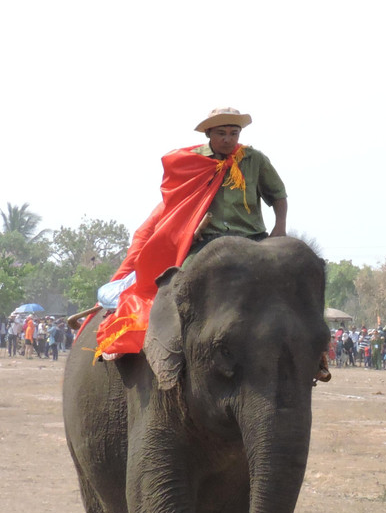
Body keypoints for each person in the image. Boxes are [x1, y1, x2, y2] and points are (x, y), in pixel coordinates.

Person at [92, 108, 298, 361]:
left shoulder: (255, 160)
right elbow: (177, 203)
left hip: (252, 238)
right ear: (209, 134)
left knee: (294, 280)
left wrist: (280, 227)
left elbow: (278, 195)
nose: (228, 139)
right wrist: (188, 229)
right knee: (176, 285)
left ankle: (308, 352)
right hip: (206, 240)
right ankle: (163, 344)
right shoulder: (190, 161)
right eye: (221, 133)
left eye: (234, 133)